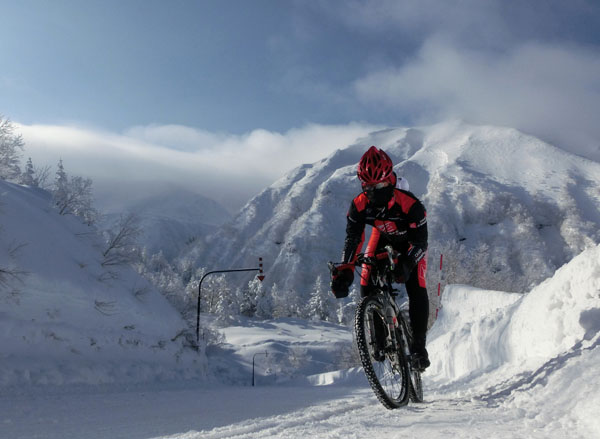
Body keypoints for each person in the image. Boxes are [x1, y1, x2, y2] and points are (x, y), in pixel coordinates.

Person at [331, 145, 430, 370]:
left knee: (417, 286)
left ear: (390, 180)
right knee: (365, 280)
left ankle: (418, 349)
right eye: (368, 187)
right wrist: (345, 271)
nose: (375, 191)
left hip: (410, 242)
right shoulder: (359, 204)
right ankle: (378, 339)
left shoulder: (411, 204)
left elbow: (421, 243)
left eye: (381, 185)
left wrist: (407, 262)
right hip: (382, 235)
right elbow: (353, 238)